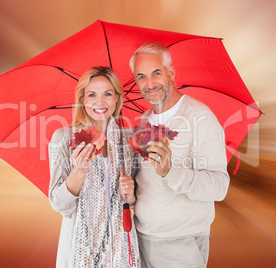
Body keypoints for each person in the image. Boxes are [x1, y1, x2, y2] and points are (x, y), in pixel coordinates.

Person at [128, 42, 230, 268]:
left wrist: (172, 172)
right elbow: (147, 184)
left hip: (182, 243)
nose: (150, 84)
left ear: (171, 73)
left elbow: (220, 186)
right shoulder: (143, 122)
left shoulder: (199, 116)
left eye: (156, 73)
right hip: (141, 237)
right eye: (141, 77)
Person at [48, 66, 140, 268]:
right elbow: (59, 204)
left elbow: (133, 201)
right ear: (82, 99)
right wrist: (79, 172)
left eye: (107, 93)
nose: (100, 102)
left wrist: (131, 195)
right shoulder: (64, 138)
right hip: (80, 247)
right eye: (92, 95)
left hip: (121, 247)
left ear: (117, 97)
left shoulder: (128, 140)